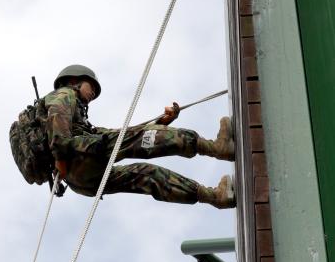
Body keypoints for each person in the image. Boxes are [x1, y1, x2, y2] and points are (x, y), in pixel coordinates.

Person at [29, 64, 236, 207]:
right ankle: (217, 148)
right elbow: (59, 132)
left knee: (147, 175)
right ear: (74, 81)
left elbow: (118, 135)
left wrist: (159, 124)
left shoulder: (80, 123)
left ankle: (216, 197)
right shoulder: (65, 94)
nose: (93, 93)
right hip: (76, 159)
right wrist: (61, 159)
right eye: (91, 86)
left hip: (81, 180)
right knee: (137, 142)